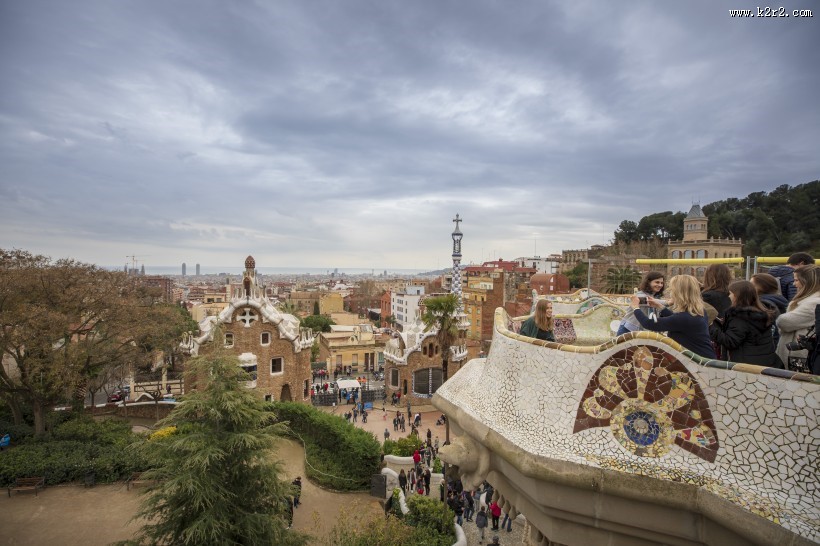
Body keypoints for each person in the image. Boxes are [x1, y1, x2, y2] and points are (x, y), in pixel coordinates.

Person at [632, 275, 717, 359]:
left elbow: (648, 323)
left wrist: (635, 307)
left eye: (672, 290)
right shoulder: (699, 311)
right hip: (705, 358)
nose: (670, 293)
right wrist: (659, 306)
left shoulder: (684, 318)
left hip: (699, 364)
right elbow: (677, 320)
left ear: (679, 293)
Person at [710, 280, 782, 368]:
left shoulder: (740, 317)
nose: (729, 296)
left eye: (730, 293)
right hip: (764, 362)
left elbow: (730, 341)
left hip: (746, 365)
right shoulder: (760, 313)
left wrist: (711, 326)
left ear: (737, 296)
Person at [775, 265, 820, 368]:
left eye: (796, 280)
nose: (794, 284)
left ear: (807, 282)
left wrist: (780, 320)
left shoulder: (814, 303)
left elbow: (784, 322)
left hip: (799, 356)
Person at [616, 271, 665, 336]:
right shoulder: (640, 295)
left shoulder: (654, 296)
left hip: (641, 332)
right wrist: (669, 302)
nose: (660, 285)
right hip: (628, 330)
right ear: (648, 282)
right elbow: (648, 300)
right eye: (657, 282)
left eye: (661, 283)